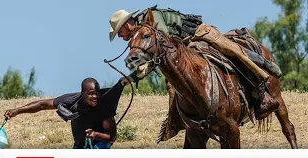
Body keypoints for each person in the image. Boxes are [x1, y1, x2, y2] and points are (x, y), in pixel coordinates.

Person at [108, 5, 281, 119]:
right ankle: (180, 120)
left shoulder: (150, 19)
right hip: (184, 50)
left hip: (197, 35)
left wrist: (135, 75)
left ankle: (261, 91)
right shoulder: (139, 36)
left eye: (120, 32)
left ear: (126, 24)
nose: (121, 36)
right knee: (173, 84)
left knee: (231, 53)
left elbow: (164, 45)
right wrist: (133, 76)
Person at [4, 75, 135, 149]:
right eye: (91, 94)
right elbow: (42, 105)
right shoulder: (71, 100)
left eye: (96, 93)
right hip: (79, 146)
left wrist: (95, 135)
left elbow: (112, 138)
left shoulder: (105, 104)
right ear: (83, 93)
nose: (95, 97)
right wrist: (17, 111)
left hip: (99, 145)